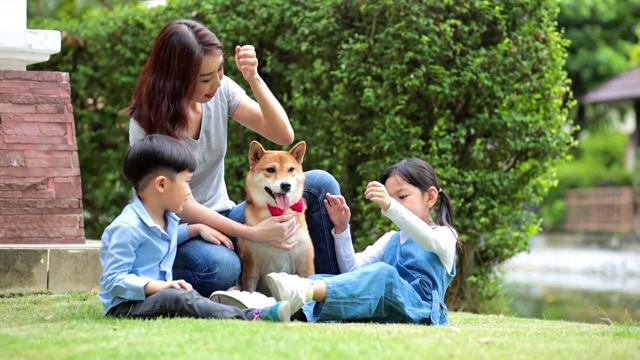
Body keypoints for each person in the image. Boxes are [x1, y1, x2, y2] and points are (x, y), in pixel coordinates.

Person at [124, 19, 341, 297]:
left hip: (224, 214)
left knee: (320, 184)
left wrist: (253, 77)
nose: (216, 82)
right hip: (175, 231)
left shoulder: (221, 89)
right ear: (175, 78)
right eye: (205, 78)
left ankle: (326, 291)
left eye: (220, 70)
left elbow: (282, 134)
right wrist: (254, 234)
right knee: (222, 268)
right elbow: (182, 204)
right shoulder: (146, 123)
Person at [98, 134, 291, 322]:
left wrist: (195, 229)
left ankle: (252, 306)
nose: (190, 191)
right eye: (187, 182)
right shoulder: (126, 227)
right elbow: (112, 279)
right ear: (162, 184)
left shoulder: (167, 218)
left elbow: (163, 238)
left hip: (158, 297)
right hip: (127, 305)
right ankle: (252, 315)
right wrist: (157, 287)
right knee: (176, 297)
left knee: (179, 296)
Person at [265, 158, 458, 325]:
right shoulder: (391, 238)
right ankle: (263, 304)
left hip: (419, 310)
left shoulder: (445, 235)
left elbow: (430, 241)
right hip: (382, 306)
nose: (395, 203)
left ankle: (300, 291)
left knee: (384, 274)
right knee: (321, 279)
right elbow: (353, 271)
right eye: (391, 198)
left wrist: (390, 206)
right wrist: (342, 228)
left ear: (431, 197)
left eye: (402, 197)